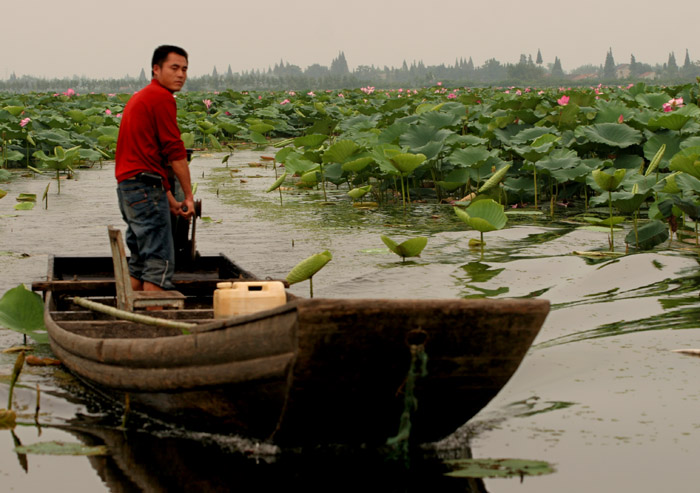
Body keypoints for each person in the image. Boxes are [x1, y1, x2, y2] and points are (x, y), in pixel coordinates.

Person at [115, 45, 194, 294]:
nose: (180, 74)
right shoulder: (161, 98)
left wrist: (169, 198)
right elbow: (175, 152)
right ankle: (155, 319)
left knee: (140, 262)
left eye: (184, 69)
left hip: (131, 187)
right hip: (145, 189)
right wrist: (188, 196)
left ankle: (132, 316)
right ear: (156, 69)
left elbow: (149, 158)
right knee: (159, 262)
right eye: (174, 68)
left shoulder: (142, 97)